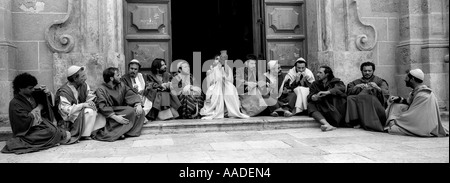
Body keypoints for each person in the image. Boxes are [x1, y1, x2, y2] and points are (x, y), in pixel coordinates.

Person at [2, 73, 71, 154]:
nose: (33, 90)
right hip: (26, 132)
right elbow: (24, 122)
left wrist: (48, 94)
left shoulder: (32, 95)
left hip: (39, 125)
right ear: (20, 88)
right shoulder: (15, 103)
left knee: (53, 130)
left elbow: (47, 106)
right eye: (30, 88)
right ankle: (57, 137)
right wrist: (38, 108)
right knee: (50, 132)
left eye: (33, 87)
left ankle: (57, 136)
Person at [385, 69, 449, 137]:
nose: (405, 80)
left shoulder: (423, 95)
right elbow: (409, 102)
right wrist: (399, 99)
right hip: (417, 120)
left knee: (394, 129)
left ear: (412, 79)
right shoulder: (417, 91)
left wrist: (396, 120)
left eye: (406, 77)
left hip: (423, 126)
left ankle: (394, 122)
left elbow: (413, 115)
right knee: (395, 105)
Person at [93, 67, 145, 142]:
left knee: (140, 112)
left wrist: (138, 104)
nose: (120, 77)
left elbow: (131, 94)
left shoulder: (121, 85)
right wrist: (116, 117)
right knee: (130, 111)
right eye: (117, 75)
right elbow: (102, 106)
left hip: (121, 109)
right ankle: (116, 133)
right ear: (111, 78)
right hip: (110, 112)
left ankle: (129, 132)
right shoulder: (101, 89)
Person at [55, 66, 105, 143]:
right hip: (69, 117)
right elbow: (66, 110)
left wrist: (90, 102)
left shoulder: (83, 85)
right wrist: (83, 105)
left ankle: (89, 131)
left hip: (80, 111)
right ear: (75, 79)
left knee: (99, 112)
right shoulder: (64, 92)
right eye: (83, 76)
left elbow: (89, 96)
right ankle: (84, 135)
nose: (85, 78)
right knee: (89, 111)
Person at [200, 54, 250, 119]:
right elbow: (210, 83)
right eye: (216, 59)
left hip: (226, 86)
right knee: (216, 91)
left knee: (230, 89)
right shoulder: (211, 70)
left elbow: (230, 80)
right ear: (213, 61)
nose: (219, 61)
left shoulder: (227, 68)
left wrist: (224, 77)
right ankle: (216, 111)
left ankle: (229, 111)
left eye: (220, 59)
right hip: (214, 88)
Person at [345, 62, 389, 132]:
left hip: (375, 106)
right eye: (365, 71)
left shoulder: (380, 81)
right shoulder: (356, 82)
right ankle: (356, 121)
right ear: (361, 71)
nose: (367, 73)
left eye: (369, 71)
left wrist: (377, 87)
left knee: (367, 96)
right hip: (361, 104)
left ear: (373, 71)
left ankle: (371, 123)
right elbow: (349, 92)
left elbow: (386, 93)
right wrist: (357, 87)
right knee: (350, 98)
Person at [307, 66, 347, 132]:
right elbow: (310, 95)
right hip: (322, 106)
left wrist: (328, 92)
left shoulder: (336, 82)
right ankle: (327, 124)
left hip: (334, 107)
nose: (317, 75)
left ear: (327, 74)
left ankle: (332, 123)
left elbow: (341, 89)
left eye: (320, 73)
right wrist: (313, 97)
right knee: (310, 105)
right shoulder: (315, 84)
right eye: (317, 72)